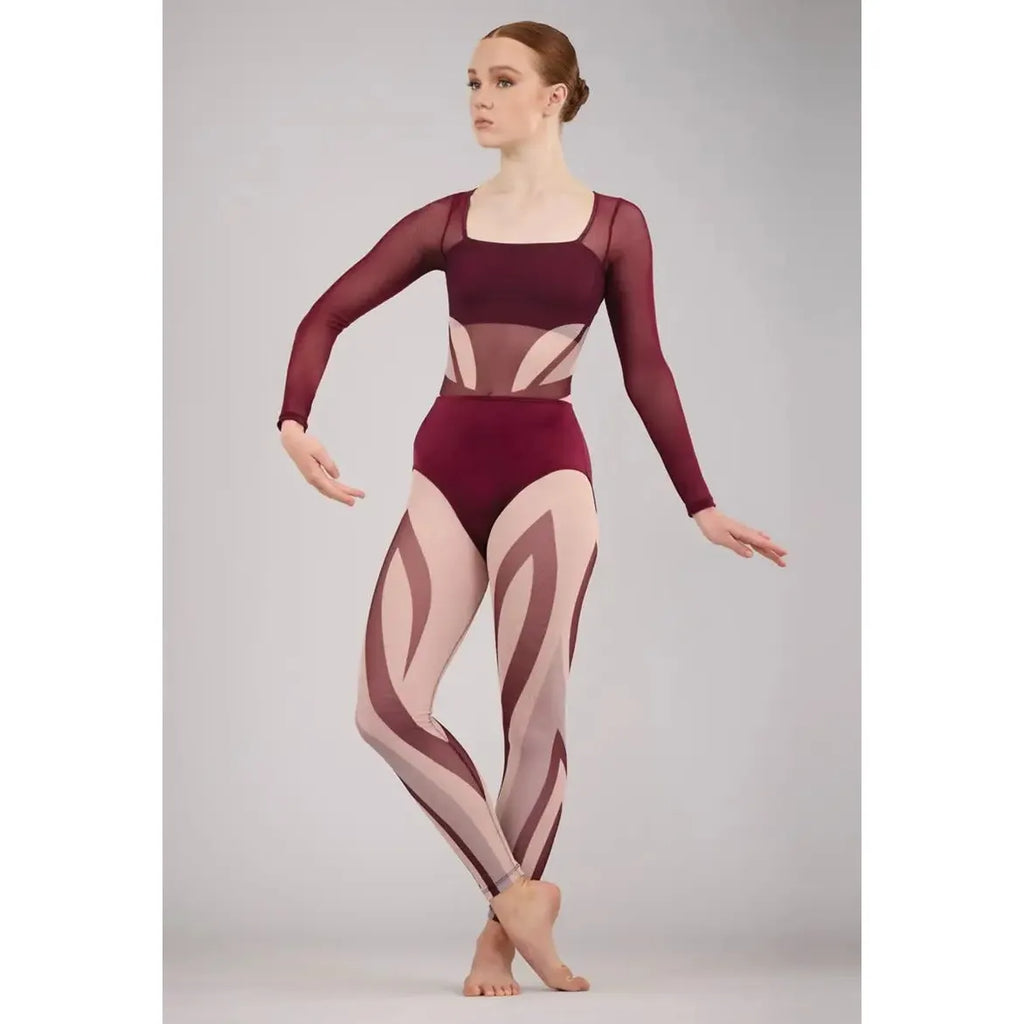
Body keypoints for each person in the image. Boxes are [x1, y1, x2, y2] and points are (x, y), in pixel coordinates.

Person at [276, 20, 788, 998]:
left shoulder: (614, 225)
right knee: (384, 707)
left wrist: (700, 502)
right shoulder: (447, 220)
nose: (479, 96)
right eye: (472, 80)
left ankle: (495, 944)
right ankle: (519, 892)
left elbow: (646, 369)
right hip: (444, 474)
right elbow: (324, 314)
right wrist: (293, 419)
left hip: (548, 479)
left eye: (502, 80)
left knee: (532, 715)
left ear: (554, 96)